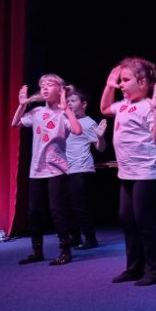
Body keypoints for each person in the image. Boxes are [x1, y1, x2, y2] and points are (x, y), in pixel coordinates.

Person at [101, 57, 156, 285]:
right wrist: (109, 85)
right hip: (127, 174)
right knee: (127, 220)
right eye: (120, 80)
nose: (121, 84)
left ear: (142, 83)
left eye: (125, 80)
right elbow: (103, 108)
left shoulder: (150, 107)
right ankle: (134, 268)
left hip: (147, 173)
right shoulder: (122, 105)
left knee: (145, 221)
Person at [11, 73, 82, 265]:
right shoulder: (36, 113)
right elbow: (15, 123)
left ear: (60, 90)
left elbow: (77, 130)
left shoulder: (63, 114)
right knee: (34, 211)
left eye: (50, 84)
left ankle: (65, 251)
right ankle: (37, 251)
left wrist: (66, 109)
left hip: (56, 169)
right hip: (36, 169)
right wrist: (22, 104)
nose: (44, 88)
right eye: (42, 85)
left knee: (57, 210)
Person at [64, 85, 107, 250]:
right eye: (68, 101)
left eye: (73, 101)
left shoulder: (89, 123)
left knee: (81, 205)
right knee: (68, 205)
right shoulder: (67, 121)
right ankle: (74, 237)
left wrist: (101, 138)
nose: (70, 104)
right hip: (66, 169)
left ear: (84, 104)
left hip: (82, 169)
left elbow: (100, 148)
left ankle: (90, 238)